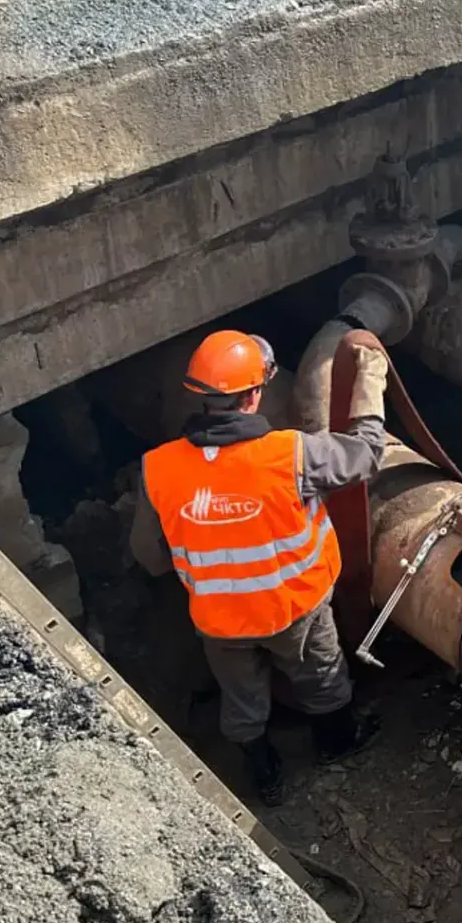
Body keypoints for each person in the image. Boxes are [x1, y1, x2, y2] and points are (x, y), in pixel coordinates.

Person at [129, 328, 390, 806]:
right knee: (321, 676)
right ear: (255, 395)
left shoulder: (158, 468)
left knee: (242, 699)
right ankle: (336, 742)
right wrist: (371, 381)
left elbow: (149, 556)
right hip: (296, 610)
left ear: (201, 397)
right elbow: (368, 454)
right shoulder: (291, 455)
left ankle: (264, 775)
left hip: (220, 621)